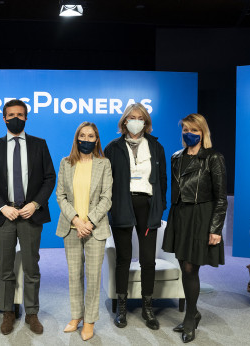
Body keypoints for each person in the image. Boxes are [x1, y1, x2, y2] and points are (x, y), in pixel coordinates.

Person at [0, 99, 56, 335]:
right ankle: (8, 313)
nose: (16, 118)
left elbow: (49, 178)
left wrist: (35, 204)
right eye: (11, 114)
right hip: (5, 216)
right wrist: (3, 207)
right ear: (4, 118)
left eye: (20, 114)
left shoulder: (39, 144)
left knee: (32, 268)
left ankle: (32, 313)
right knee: (5, 268)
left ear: (26, 117)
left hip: (30, 214)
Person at [162, 113, 227, 343]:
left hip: (202, 216)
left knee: (191, 269)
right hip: (180, 215)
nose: (189, 134)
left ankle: (190, 317)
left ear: (203, 133)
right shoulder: (175, 157)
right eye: (186, 130)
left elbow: (221, 197)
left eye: (194, 130)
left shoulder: (213, 158)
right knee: (183, 265)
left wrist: (216, 228)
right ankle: (194, 312)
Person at [104, 103, 167, 330]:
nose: (136, 121)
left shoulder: (156, 147)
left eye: (140, 117)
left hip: (148, 206)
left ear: (146, 122)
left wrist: (161, 206)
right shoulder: (113, 147)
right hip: (122, 205)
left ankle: (147, 308)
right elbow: (106, 181)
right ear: (124, 121)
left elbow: (162, 179)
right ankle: (122, 307)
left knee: (147, 259)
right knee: (123, 258)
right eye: (131, 117)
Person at [56, 122, 112, 341]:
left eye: (91, 136)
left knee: (93, 276)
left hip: (95, 229)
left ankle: (89, 320)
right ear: (76, 138)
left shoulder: (104, 163)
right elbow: (61, 195)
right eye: (82, 135)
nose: (86, 139)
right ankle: (76, 316)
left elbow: (107, 197)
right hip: (71, 228)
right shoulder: (65, 162)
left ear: (96, 140)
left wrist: (88, 222)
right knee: (74, 276)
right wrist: (77, 221)